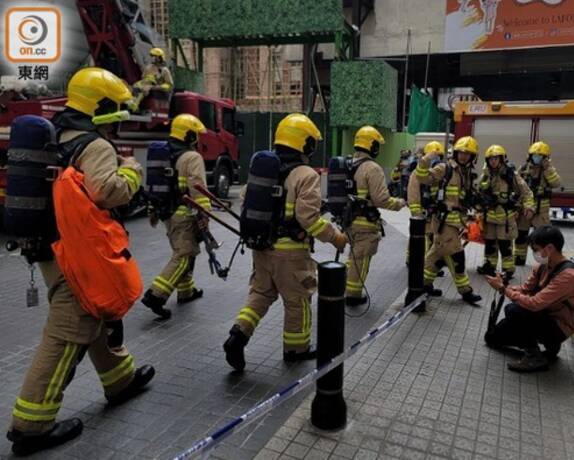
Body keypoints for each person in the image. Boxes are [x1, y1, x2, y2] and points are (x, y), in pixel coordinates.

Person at [6, 67, 155, 456]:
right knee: (70, 328)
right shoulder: (96, 145)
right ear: (101, 106)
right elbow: (108, 192)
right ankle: (31, 425)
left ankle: (119, 380)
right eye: (115, 108)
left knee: (92, 313)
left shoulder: (58, 134)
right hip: (75, 253)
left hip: (51, 248)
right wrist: (132, 171)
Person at [223, 114, 347, 371]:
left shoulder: (263, 168)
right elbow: (308, 218)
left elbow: (246, 201)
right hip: (291, 255)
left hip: (262, 247)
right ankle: (296, 349)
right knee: (298, 300)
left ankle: (238, 335)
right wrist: (335, 237)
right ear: (305, 143)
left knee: (260, 294)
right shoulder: (306, 174)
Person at [484, 225, 574, 372]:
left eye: (536, 249)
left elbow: (534, 303)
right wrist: (504, 285)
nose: (534, 253)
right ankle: (549, 346)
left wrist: (503, 289)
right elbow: (525, 289)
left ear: (549, 248)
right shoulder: (543, 266)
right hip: (543, 315)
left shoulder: (568, 276)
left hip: (558, 325)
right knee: (492, 338)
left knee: (513, 310)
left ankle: (535, 356)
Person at [141, 114, 210, 319]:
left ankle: (186, 292)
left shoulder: (164, 154)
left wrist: (152, 211)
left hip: (168, 214)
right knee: (185, 254)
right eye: (195, 134)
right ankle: (156, 295)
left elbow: (154, 185)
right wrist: (205, 214)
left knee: (184, 250)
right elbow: (198, 187)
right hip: (184, 215)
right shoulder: (192, 157)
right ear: (189, 135)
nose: (197, 138)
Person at [414, 136, 483, 304]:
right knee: (457, 257)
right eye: (461, 153)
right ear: (456, 153)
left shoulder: (467, 174)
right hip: (444, 222)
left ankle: (422, 284)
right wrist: (425, 160)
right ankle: (465, 291)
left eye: (468, 154)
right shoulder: (445, 168)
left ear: (473, 157)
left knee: (436, 257)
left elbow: (466, 198)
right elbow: (422, 177)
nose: (464, 156)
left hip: (456, 222)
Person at [345, 126, 406, 306]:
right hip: (365, 224)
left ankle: (345, 288)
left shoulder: (348, 163)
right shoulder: (372, 168)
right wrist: (400, 204)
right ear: (372, 146)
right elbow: (381, 199)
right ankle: (353, 296)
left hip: (349, 221)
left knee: (353, 257)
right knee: (361, 259)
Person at [476, 145, 534, 279]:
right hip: (489, 217)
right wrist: (478, 209)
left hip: (505, 218)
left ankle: (508, 270)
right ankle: (489, 266)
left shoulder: (510, 174)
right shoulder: (486, 175)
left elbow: (526, 192)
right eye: (490, 159)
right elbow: (478, 193)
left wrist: (529, 207)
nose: (493, 161)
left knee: (505, 244)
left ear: (502, 159)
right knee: (490, 244)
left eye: (496, 158)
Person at [514, 141, 562, 265]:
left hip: (541, 209)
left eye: (540, 156)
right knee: (521, 234)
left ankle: (545, 259)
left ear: (546, 158)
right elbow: (516, 186)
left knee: (543, 237)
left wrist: (547, 169)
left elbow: (556, 183)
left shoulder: (549, 170)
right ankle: (519, 258)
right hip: (525, 208)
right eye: (535, 155)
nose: (537, 158)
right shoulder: (524, 169)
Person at [407, 141, 446, 278]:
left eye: (439, 157)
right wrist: (417, 213)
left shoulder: (436, 174)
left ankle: (428, 264)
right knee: (420, 238)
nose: (437, 160)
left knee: (431, 239)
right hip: (421, 213)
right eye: (435, 156)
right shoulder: (416, 174)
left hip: (432, 213)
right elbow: (413, 194)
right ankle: (413, 261)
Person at [129, 47, 174, 112]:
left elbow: (169, 85)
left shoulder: (164, 70)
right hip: (145, 85)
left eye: (156, 56)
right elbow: (143, 78)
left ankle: (134, 105)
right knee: (135, 86)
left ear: (161, 58)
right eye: (153, 56)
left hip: (157, 91)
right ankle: (131, 103)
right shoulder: (148, 67)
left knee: (144, 89)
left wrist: (155, 87)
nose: (154, 58)